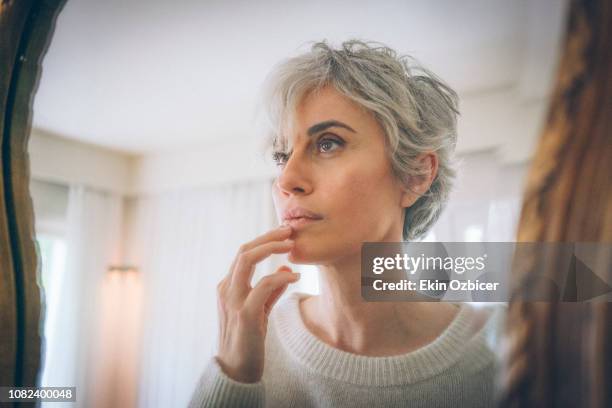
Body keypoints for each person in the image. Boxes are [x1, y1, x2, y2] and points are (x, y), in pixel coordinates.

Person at [189, 39, 505, 408]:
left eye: (328, 144)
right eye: (281, 154)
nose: (286, 179)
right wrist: (233, 379)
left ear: (416, 175)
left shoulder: (503, 352)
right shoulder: (251, 343)